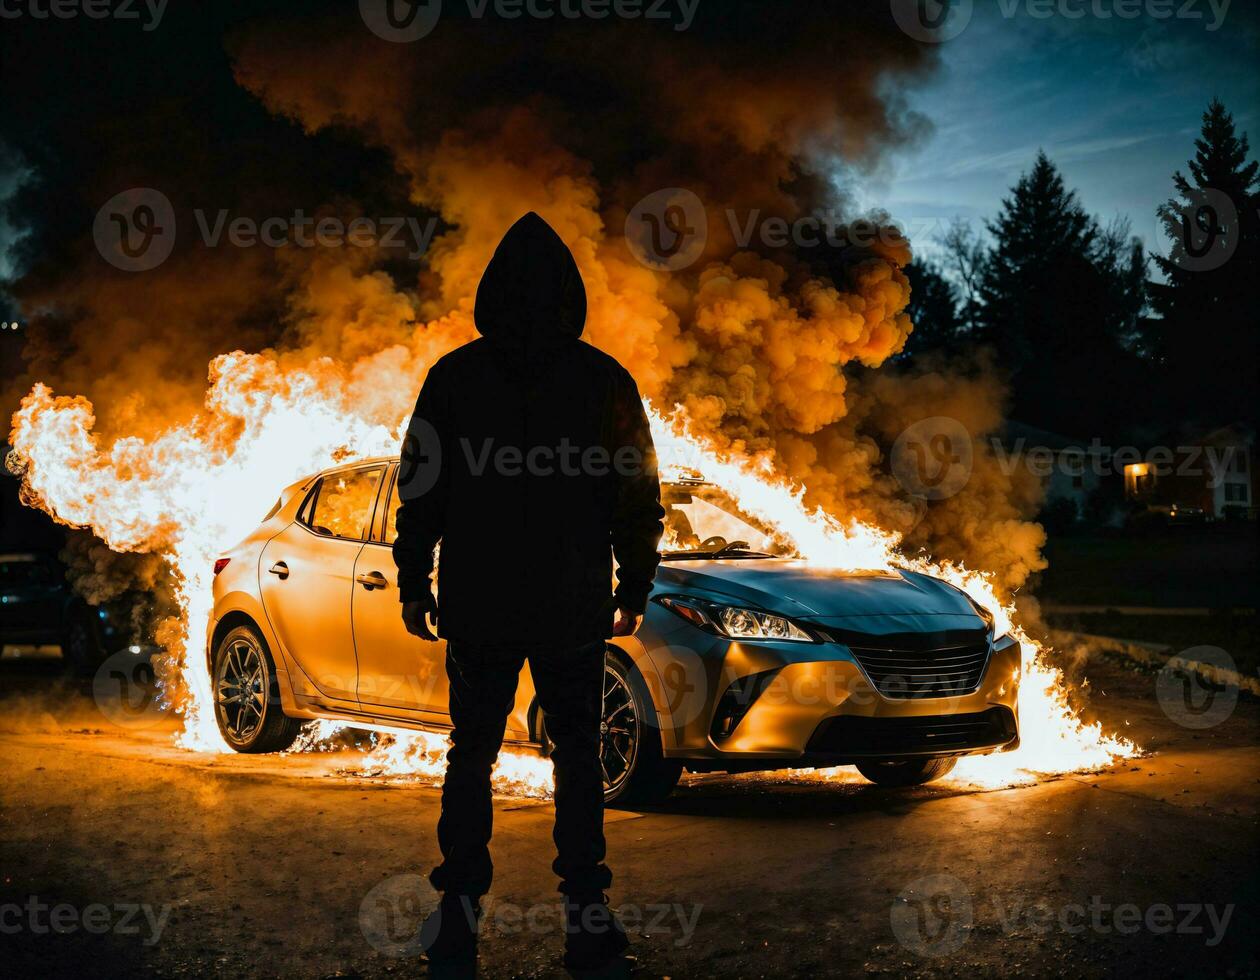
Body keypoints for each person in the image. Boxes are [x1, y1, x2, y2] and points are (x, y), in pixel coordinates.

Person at [392, 212, 664, 974]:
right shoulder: (603, 380)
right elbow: (637, 498)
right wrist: (633, 584)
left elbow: (421, 492)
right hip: (570, 602)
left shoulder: (454, 377)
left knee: (470, 752)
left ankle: (457, 918)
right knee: (576, 754)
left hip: (479, 599)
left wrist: (415, 582)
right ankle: (587, 917)